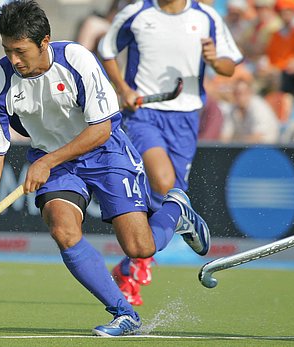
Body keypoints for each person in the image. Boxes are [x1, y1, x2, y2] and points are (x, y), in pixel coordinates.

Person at [0, 0, 210, 337]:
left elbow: (101, 129)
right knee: (62, 229)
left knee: (140, 248)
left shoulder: (76, 60)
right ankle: (124, 313)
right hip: (56, 161)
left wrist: (48, 161)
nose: (14, 60)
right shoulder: (0, 81)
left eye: (20, 51)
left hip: (105, 151)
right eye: (7, 50)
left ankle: (175, 212)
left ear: (44, 41)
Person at [97, 0, 243, 305]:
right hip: (143, 113)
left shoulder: (205, 17)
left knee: (164, 196)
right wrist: (123, 89)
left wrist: (215, 61)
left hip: (186, 118)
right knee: (165, 184)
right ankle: (176, 219)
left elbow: (230, 65)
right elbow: (107, 49)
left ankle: (132, 265)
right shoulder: (137, 12)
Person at [220, 78, 281, 143]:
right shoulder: (232, 109)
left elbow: (257, 137)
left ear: (250, 92)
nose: (238, 96)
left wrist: (235, 140)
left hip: (269, 149)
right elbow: (224, 137)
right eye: (236, 93)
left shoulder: (259, 107)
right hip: (248, 149)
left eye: (241, 93)